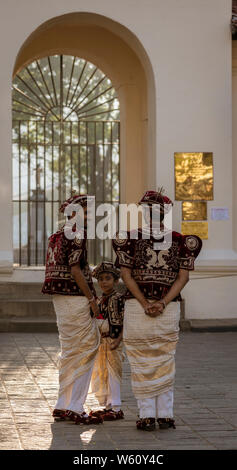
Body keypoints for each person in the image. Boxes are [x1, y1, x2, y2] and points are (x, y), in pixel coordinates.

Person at [112, 189, 202, 431]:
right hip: (167, 307)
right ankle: (165, 414)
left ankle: (147, 415)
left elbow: (125, 274)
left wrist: (144, 302)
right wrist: (161, 303)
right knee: (164, 359)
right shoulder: (181, 240)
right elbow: (183, 278)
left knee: (142, 360)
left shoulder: (129, 238)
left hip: (138, 306)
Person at [42, 194, 102, 425]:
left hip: (59, 298)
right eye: (87, 211)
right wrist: (92, 298)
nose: (90, 216)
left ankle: (63, 404)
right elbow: (75, 270)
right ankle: (76, 407)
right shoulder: (77, 233)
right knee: (87, 349)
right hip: (75, 298)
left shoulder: (55, 236)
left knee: (68, 351)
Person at [88, 262, 124, 421]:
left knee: (114, 372)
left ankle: (116, 407)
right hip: (102, 342)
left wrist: (118, 339)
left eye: (108, 278)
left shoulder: (118, 298)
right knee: (104, 372)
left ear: (116, 281)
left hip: (113, 340)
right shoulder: (101, 299)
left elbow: (125, 321)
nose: (104, 282)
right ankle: (108, 405)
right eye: (101, 279)